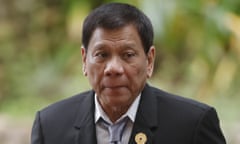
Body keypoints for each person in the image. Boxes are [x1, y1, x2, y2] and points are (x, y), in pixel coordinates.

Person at [31, 2, 226, 144]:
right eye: (102, 55)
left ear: (149, 60)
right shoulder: (50, 126)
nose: (113, 68)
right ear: (84, 60)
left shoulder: (192, 125)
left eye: (128, 55)